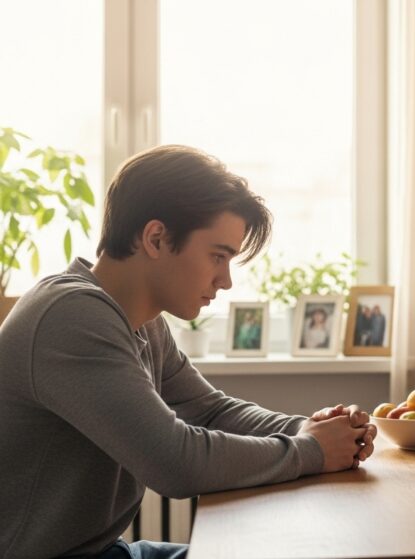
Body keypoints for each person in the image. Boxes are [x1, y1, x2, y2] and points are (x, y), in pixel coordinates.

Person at [0, 145, 377, 558]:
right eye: (218, 256)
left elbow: (210, 410)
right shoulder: (71, 316)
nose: (226, 281)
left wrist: (311, 428)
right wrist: (313, 451)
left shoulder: (139, 320)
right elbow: (174, 463)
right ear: (156, 238)